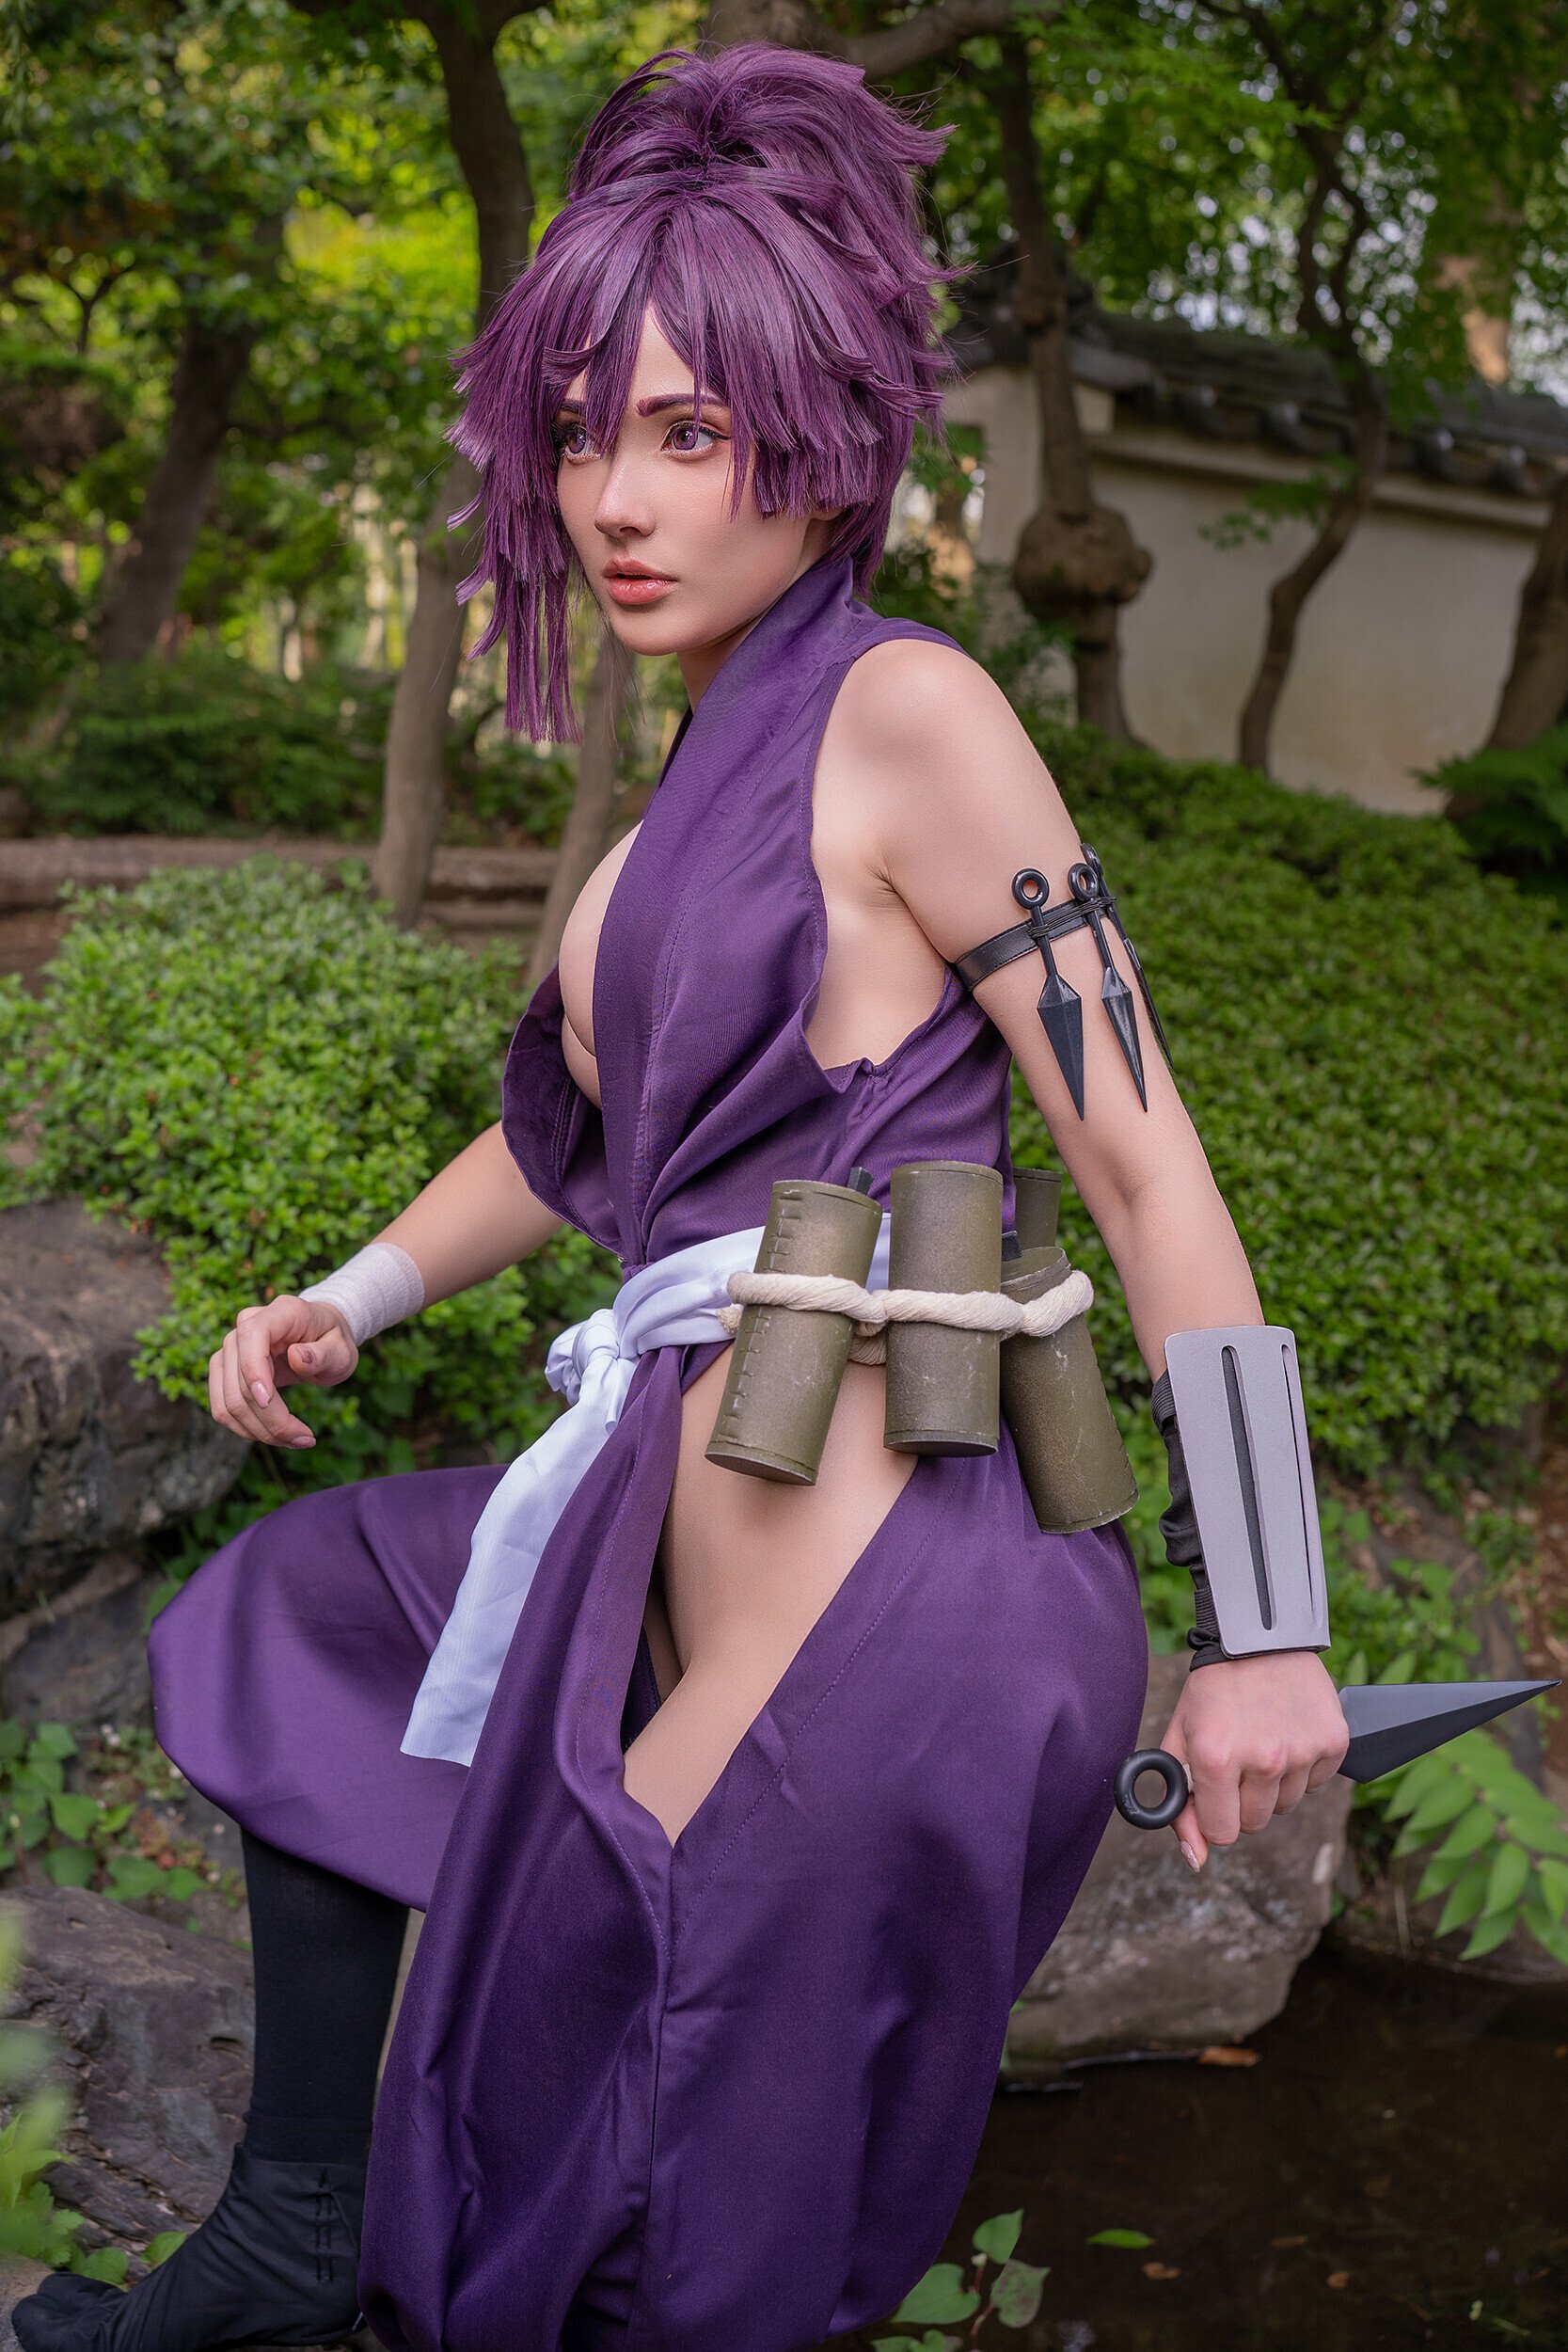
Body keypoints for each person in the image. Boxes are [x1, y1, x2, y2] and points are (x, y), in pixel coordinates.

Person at [15, 43, 1347, 2352]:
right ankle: (294, 2218)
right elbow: (577, 1148)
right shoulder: (667, 816)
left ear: (820, 435)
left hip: (891, 1584)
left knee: (643, 2195)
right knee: (313, 1612)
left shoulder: (912, 714)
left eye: (688, 432)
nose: (615, 497)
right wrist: (350, 1290)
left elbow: (1144, 1159)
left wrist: (1272, 1616)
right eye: (579, 434)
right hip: (658, 1515)